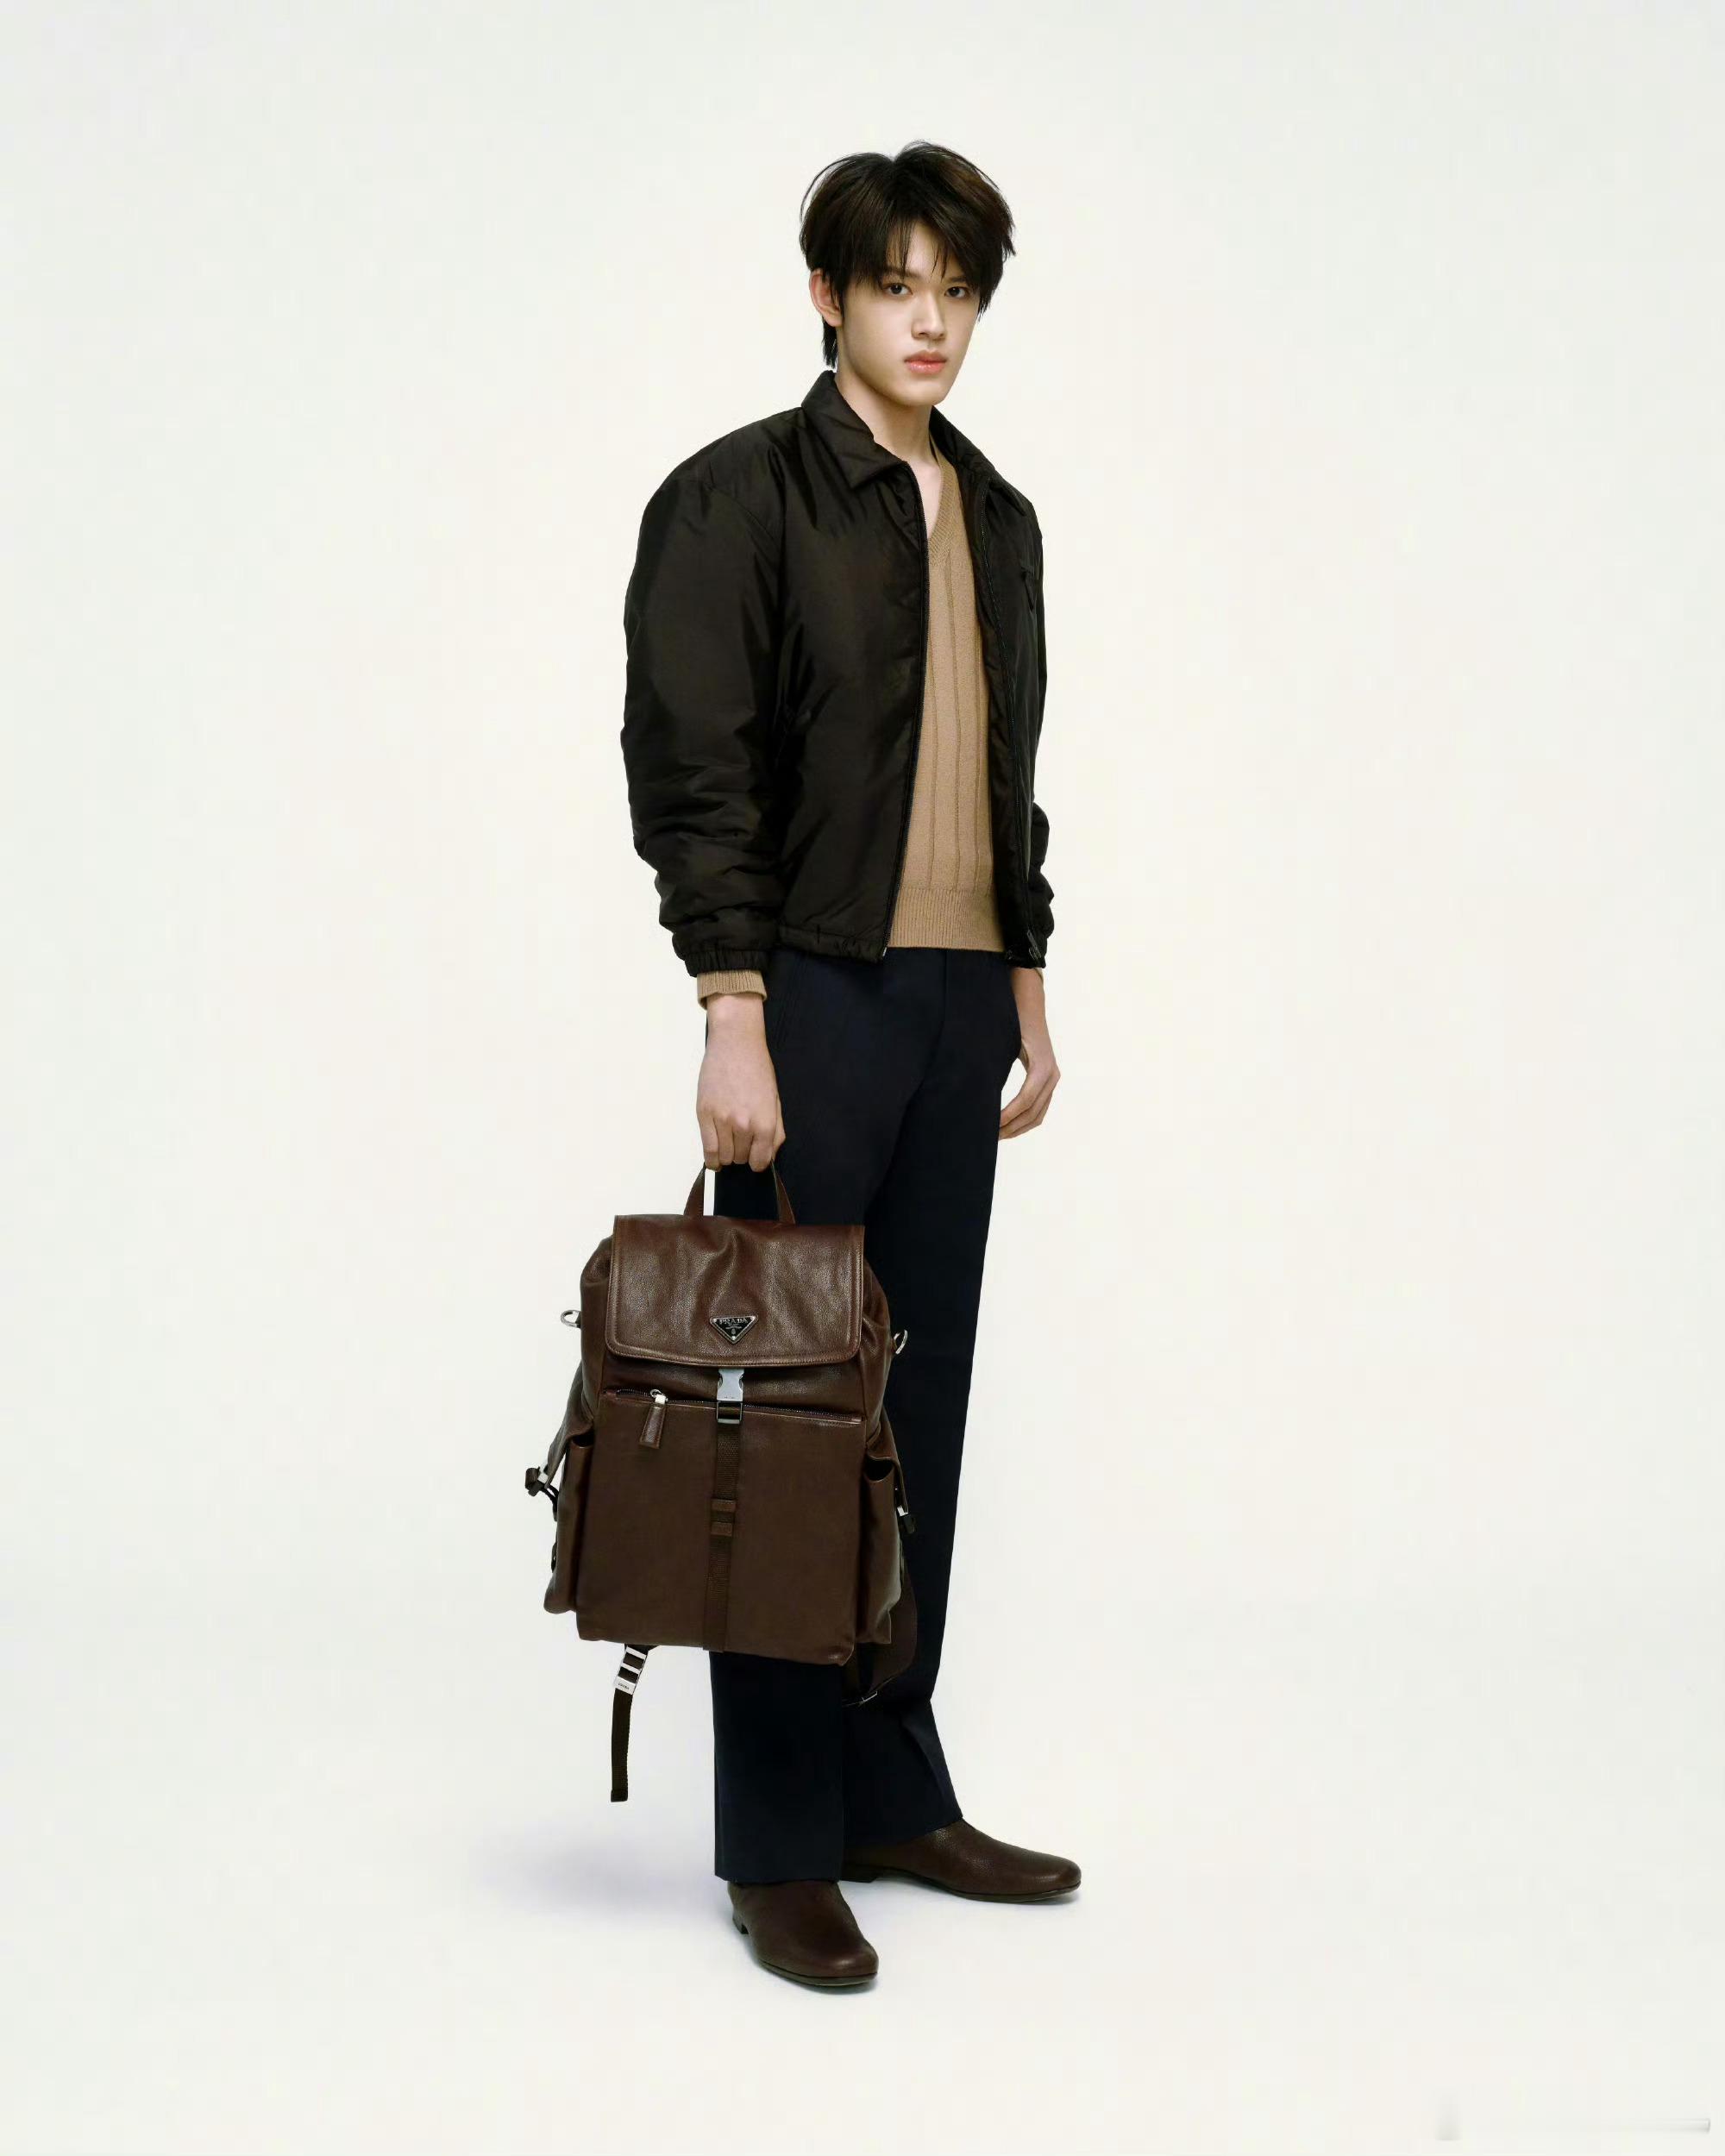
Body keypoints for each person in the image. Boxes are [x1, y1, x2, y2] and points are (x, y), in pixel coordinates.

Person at [618, 141, 1076, 1987]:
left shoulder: (1001, 513)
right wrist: (731, 1002)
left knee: (918, 1410)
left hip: (958, 1002)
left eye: (955, 288)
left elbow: (1006, 770)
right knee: (791, 1421)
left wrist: (1026, 973)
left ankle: (892, 1788)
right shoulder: (736, 498)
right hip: (810, 991)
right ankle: (780, 1842)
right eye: (896, 285)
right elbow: (692, 763)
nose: (930, 319)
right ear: (827, 296)